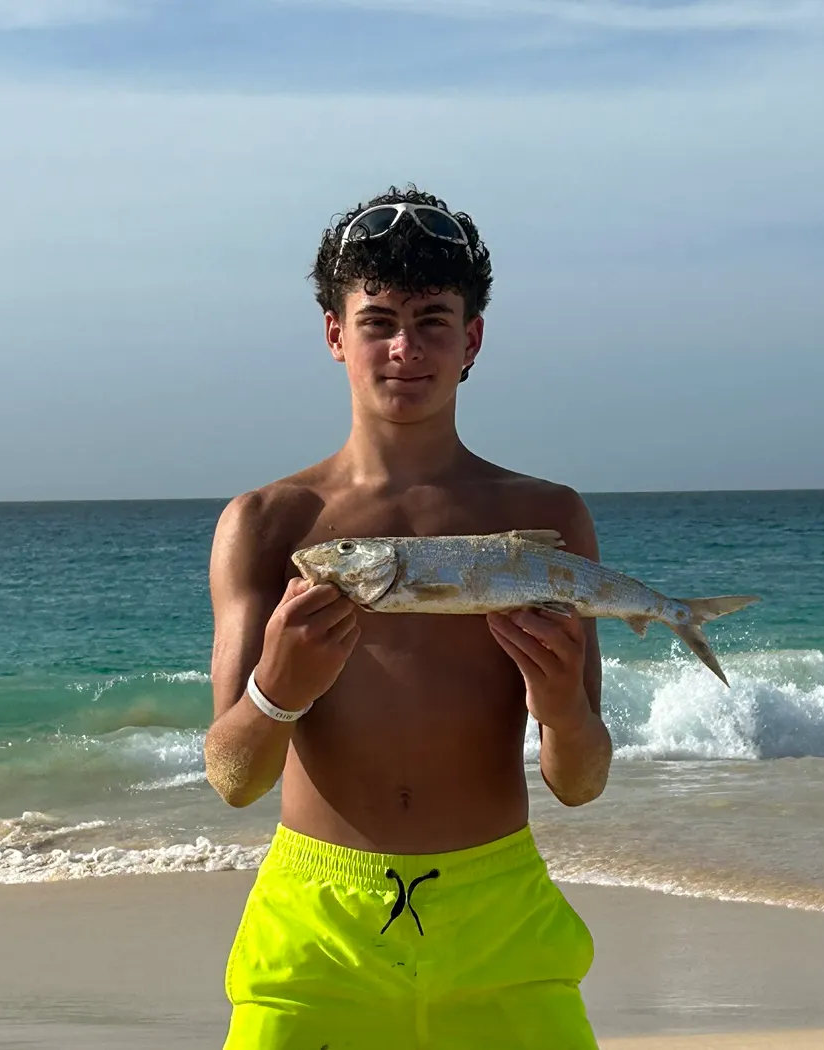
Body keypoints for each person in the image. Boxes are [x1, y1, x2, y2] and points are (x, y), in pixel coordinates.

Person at [205, 186, 613, 1048]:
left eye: (433, 320)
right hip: (314, 939)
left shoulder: (545, 520)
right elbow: (234, 777)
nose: (404, 347)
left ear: (471, 339)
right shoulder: (269, 523)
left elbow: (579, 783)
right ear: (333, 334)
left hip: (501, 922)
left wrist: (563, 708)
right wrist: (279, 690)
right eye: (377, 319)